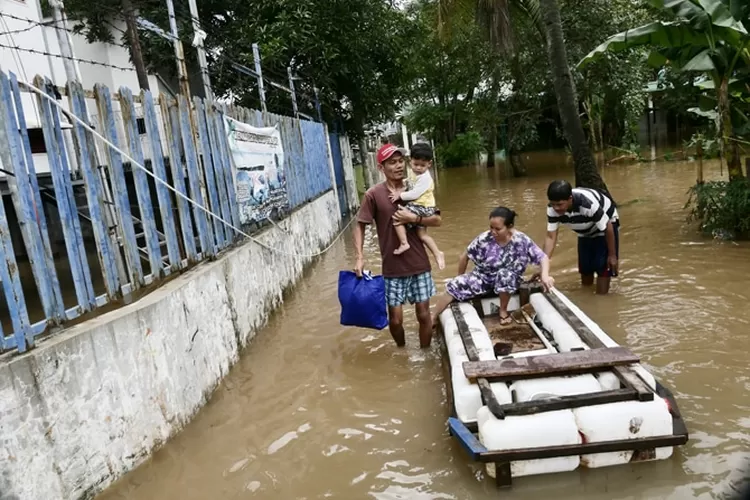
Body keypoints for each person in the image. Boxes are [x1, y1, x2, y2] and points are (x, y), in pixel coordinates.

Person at [353, 143, 443, 348]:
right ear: (381, 168)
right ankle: (402, 350)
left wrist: (415, 218)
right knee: (395, 320)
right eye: (392, 162)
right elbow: (360, 226)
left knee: (423, 315)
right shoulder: (373, 195)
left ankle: (425, 353)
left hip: (419, 262)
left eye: (401, 161)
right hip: (392, 266)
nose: (399, 166)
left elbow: (438, 220)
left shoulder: (417, 186)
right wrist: (359, 256)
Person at [431, 207, 555, 326]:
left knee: (504, 275)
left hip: (509, 280)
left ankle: (503, 311)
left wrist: (544, 275)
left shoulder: (521, 240)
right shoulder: (484, 238)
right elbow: (464, 257)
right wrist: (461, 277)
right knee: (455, 284)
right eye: (491, 227)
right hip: (484, 277)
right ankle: (434, 316)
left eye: (498, 229)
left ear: (509, 227)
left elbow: (542, 257)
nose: (493, 232)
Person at [542, 180, 620, 295]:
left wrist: (612, 255)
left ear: (570, 199)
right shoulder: (552, 210)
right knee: (585, 268)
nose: (556, 208)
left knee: (603, 266)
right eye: (553, 204)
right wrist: (543, 268)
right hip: (584, 231)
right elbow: (550, 237)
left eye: (559, 204)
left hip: (606, 226)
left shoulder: (587, 204)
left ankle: (601, 298)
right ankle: (586, 298)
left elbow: (607, 227)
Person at [388, 143, 446, 270]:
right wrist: (404, 183)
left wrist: (400, 195)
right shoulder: (414, 173)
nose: (418, 168)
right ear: (410, 161)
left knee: (398, 217)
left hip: (423, 207)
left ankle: (404, 243)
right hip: (423, 206)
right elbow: (411, 182)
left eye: (422, 165)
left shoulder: (425, 178)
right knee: (422, 235)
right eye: (416, 164)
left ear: (429, 164)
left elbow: (415, 193)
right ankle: (437, 253)